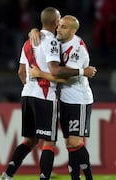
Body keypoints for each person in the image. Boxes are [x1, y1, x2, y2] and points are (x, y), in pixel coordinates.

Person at [28, 15, 95, 180]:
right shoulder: (57, 42)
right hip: (64, 99)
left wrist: (39, 74)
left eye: (64, 27)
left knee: (74, 142)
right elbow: (41, 33)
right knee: (69, 144)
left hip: (79, 99)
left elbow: (62, 76)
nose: (59, 28)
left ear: (73, 31)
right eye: (59, 25)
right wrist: (34, 30)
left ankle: (89, 176)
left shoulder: (77, 48)